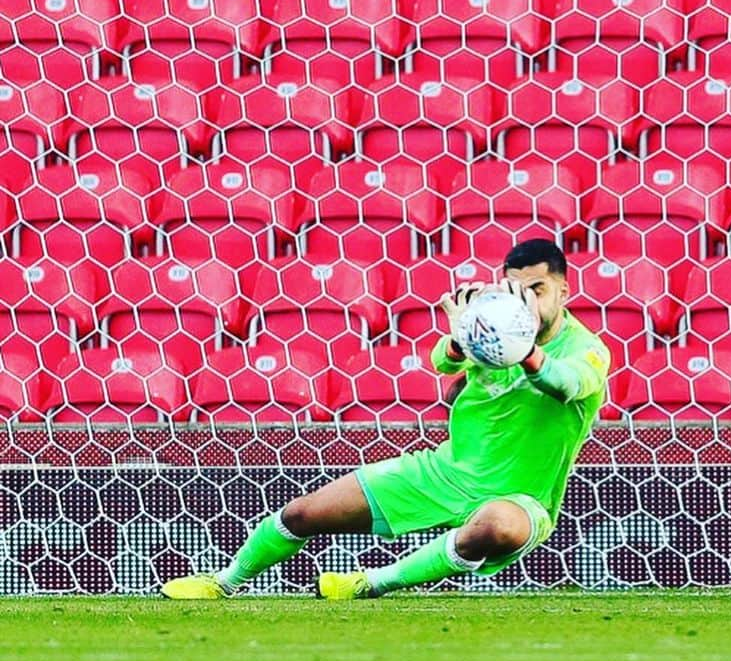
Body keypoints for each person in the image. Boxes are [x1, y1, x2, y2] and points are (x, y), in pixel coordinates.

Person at [161, 239, 611, 599]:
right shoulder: (495, 326)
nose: (526, 301)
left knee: (495, 528)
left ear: (562, 291)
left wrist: (523, 349)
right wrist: (462, 338)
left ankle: (371, 583)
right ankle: (223, 582)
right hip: (442, 472)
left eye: (538, 290)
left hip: (520, 497)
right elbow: (444, 362)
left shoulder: (585, 348)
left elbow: (567, 384)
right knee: (302, 514)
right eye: (517, 289)